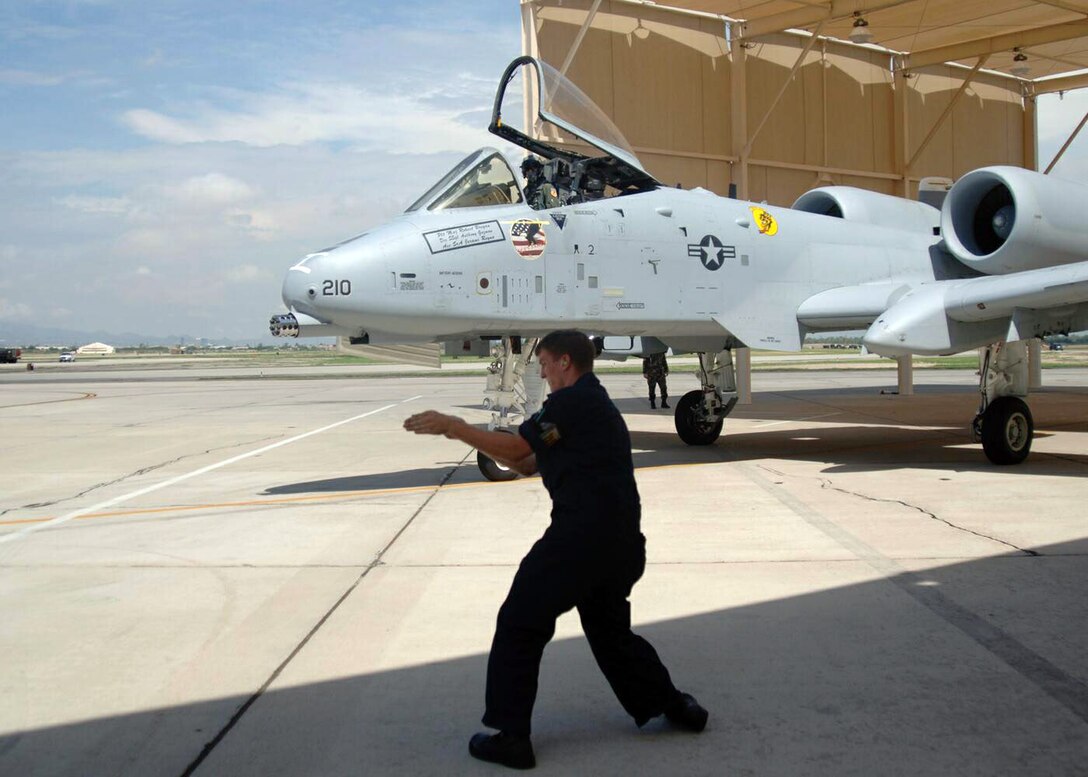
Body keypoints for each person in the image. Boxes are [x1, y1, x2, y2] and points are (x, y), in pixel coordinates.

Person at [404, 330, 707, 770]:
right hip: (619, 542)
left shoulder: (571, 404)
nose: (541, 371)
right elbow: (526, 461)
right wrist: (479, 441)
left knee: (519, 622)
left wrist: (455, 426)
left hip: (579, 539)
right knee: (610, 633)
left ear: (565, 361)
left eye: (544, 363)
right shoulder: (587, 404)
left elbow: (520, 448)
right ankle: (676, 706)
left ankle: (511, 737)